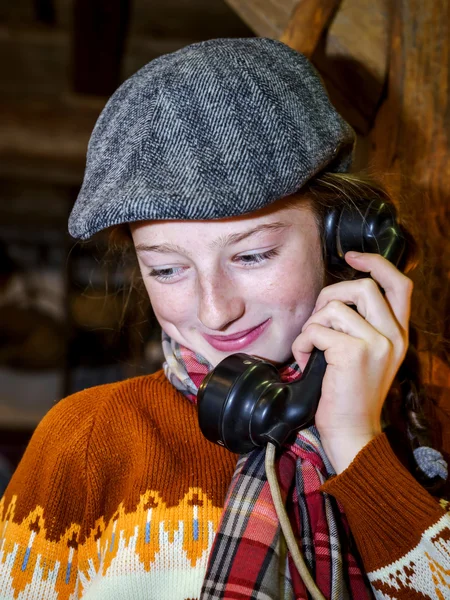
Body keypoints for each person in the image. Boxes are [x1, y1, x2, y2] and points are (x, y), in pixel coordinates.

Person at [0, 37, 449, 600]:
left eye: (252, 255)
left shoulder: (437, 411)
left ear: (347, 240)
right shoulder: (87, 441)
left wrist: (360, 449)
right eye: (167, 270)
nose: (216, 310)